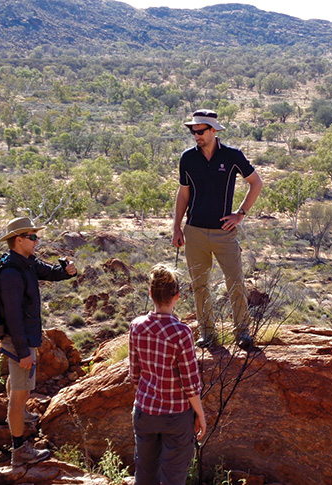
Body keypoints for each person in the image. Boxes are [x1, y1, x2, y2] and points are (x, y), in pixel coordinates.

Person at [172, 109, 263, 350]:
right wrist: (177, 229)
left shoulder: (232, 156)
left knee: (236, 282)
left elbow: (256, 183)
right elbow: (183, 194)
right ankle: (207, 333)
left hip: (224, 233)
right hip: (194, 231)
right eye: (193, 131)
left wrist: (240, 214)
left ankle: (242, 332)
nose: (196, 135)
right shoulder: (188, 158)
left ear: (214, 131)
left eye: (200, 131)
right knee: (199, 285)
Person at [0, 216, 77, 466]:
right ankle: (19, 450)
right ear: (18, 240)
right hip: (18, 339)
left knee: (17, 388)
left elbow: (52, 274)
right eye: (32, 237)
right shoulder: (11, 272)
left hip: (25, 337)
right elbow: (13, 318)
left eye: (36, 236)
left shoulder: (27, 262)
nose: (36, 240)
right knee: (20, 394)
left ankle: (20, 414)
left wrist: (67, 271)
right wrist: (23, 352)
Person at [129, 265, 207, 485]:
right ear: (177, 296)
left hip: (144, 411)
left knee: (144, 473)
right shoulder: (182, 333)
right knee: (173, 478)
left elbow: (134, 376)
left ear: (151, 294)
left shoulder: (136, 326)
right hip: (176, 416)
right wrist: (199, 415)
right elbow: (190, 383)